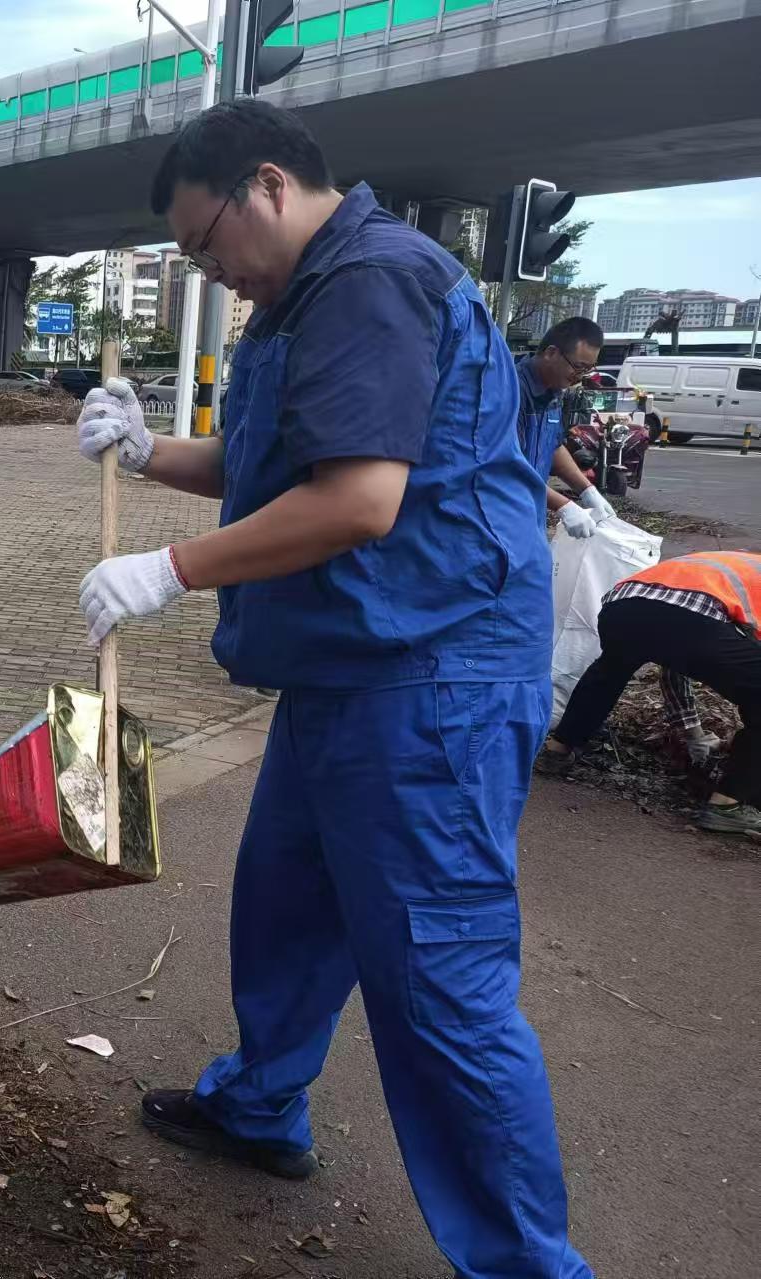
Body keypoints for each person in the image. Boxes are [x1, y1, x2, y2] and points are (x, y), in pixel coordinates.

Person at [72, 100, 591, 1278]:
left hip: (430, 680)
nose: (212, 271)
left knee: (437, 975)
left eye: (207, 245)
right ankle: (260, 1105)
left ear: (265, 185)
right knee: (288, 903)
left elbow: (357, 500)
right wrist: (148, 451)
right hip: (343, 667)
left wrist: (170, 569)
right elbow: (269, 470)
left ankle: (525, 1262)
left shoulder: (368, 281)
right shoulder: (298, 301)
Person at [539, 551, 761, 832]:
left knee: (610, 671)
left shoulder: (738, 562)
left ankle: (557, 751)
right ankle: (728, 805)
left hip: (621, 604)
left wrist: (692, 732)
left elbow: (677, 659)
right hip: (688, 615)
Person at [518, 316, 615, 539]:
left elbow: (553, 445)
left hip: (531, 516)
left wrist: (587, 490)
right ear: (552, 353)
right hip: (498, 517)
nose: (579, 376)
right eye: (578, 367)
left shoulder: (554, 392)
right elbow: (503, 465)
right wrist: (565, 506)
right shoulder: (512, 390)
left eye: (588, 369)